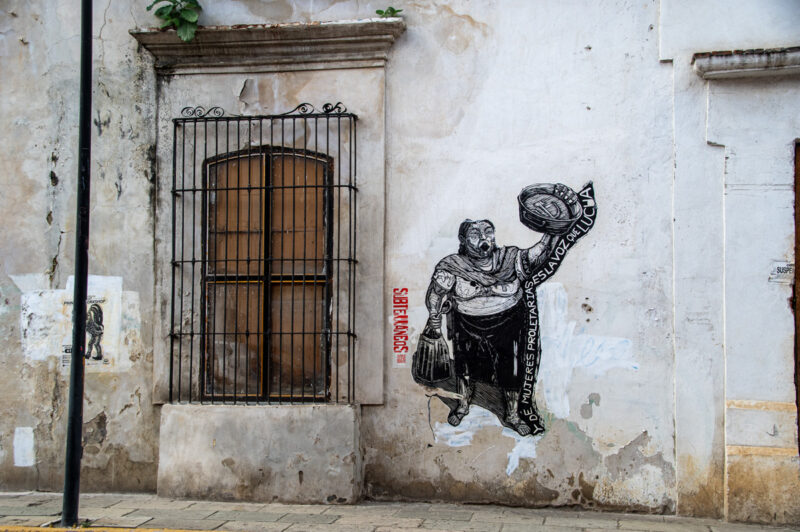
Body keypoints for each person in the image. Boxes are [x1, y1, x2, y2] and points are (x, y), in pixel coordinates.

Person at [415, 183, 587, 436]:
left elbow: (539, 255)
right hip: (468, 325)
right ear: (463, 240)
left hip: (508, 322)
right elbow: (435, 294)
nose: (484, 239)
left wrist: (552, 230)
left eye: (488, 233)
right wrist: (434, 318)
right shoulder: (452, 265)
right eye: (476, 234)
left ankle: (514, 413)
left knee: (512, 369)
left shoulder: (511, 258)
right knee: (464, 368)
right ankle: (462, 406)